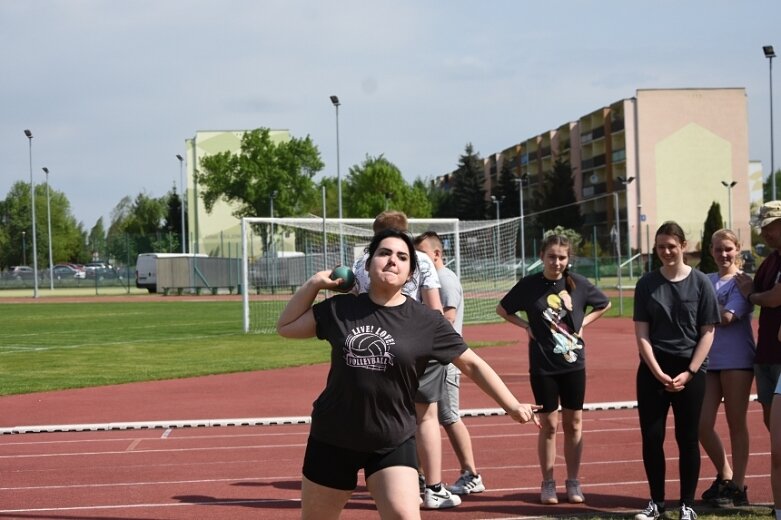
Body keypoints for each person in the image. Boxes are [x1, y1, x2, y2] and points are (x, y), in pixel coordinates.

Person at [277, 228, 541, 520]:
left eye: (402, 257)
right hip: (333, 436)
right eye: (384, 253)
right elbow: (286, 326)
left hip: (392, 438)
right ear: (368, 264)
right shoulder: (341, 309)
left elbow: (473, 364)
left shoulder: (427, 321)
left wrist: (512, 405)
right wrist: (315, 283)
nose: (392, 260)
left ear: (411, 272)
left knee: (405, 515)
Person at [496, 233, 611, 505]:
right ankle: (548, 483)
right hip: (542, 366)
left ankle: (573, 482)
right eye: (551, 257)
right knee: (548, 426)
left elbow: (604, 304)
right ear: (542, 257)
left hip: (574, 365)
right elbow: (503, 309)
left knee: (574, 424)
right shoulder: (529, 285)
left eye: (561, 257)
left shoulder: (579, 285)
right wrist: (526, 327)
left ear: (568, 258)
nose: (556, 262)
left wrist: (583, 324)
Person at [350, 211, 455, 508]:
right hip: (416, 343)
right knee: (426, 417)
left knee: (385, 412)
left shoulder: (363, 262)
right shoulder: (419, 259)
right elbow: (434, 308)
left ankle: (385, 476)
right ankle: (432, 487)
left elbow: (355, 300)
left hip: (376, 343)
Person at [632, 221, 720, 520]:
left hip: (690, 371)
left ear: (683, 245)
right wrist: (656, 371)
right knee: (652, 437)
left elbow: (707, 332)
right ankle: (656, 503)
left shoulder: (701, 283)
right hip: (653, 371)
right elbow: (642, 333)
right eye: (660, 247)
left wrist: (691, 371)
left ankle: (687, 505)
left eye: (671, 246)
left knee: (687, 438)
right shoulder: (646, 284)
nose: (666, 252)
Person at [414, 231, 485, 497]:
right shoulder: (430, 278)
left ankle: (471, 474)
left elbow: (447, 319)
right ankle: (420, 475)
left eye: (422, 252)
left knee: (449, 416)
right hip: (433, 361)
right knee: (425, 419)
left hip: (444, 361)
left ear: (436, 253)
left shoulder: (444, 279)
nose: (418, 258)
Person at [698, 229, 755, 507]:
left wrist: (699, 315)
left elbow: (728, 317)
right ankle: (726, 474)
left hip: (737, 361)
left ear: (738, 249)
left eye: (729, 249)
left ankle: (738, 486)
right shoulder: (705, 280)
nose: (723, 254)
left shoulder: (743, 282)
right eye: (718, 249)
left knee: (736, 423)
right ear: (710, 250)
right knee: (702, 423)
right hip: (709, 361)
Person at [735, 200, 781, 431]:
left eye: (769, 226)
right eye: (762, 227)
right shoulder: (769, 262)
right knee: (770, 423)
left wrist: (751, 296)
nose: (764, 233)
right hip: (766, 353)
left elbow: (774, 298)